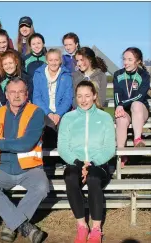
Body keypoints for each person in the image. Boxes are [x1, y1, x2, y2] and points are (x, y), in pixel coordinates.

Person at [0, 77, 48, 243]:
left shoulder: (36, 112)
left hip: (30, 169)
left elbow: (26, 143)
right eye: (12, 92)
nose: (16, 96)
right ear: (6, 95)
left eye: (20, 92)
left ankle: (11, 225)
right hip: (2, 168)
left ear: (27, 94)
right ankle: (24, 226)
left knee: (42, 187)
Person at [58, 81, 116, 243]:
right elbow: (63, 147)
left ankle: (96, 229)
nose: (83, 100)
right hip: (74, 163)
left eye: (87, 96)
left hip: (98, 164)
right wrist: (78, 163)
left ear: (95, 96)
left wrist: (91, 164)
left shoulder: (104, 117)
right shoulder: (68, 118)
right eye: (79, 96)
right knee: (70, 178)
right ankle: (82, 226)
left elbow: (109, 148)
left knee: (93, 179)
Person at [113, 47, 150, 167]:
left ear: (138, 61)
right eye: (124, 59)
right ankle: (121, 154)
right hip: (124, 109)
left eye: (129, 59)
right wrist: (119, 105)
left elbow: (140, 95)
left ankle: (137, 139)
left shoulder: (144, 75)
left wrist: (121, 104)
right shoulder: (118, 74)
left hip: (140, 109)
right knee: (120, 119)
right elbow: (117, 93)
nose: (125, 62)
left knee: (136, 104)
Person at [33, 48, 73, 148]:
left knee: (63, 126)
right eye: (51, 60)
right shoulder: (38, 74)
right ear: (47, 61)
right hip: (44, 111)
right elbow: (37, 97)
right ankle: (48, 160)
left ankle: (63, 158)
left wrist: (58, 114)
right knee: (47, 126)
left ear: (60, 61)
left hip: (61, 112)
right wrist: (49, 113)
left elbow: (68, 98)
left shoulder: (66, 75)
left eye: (56, 60)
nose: (53, 63)